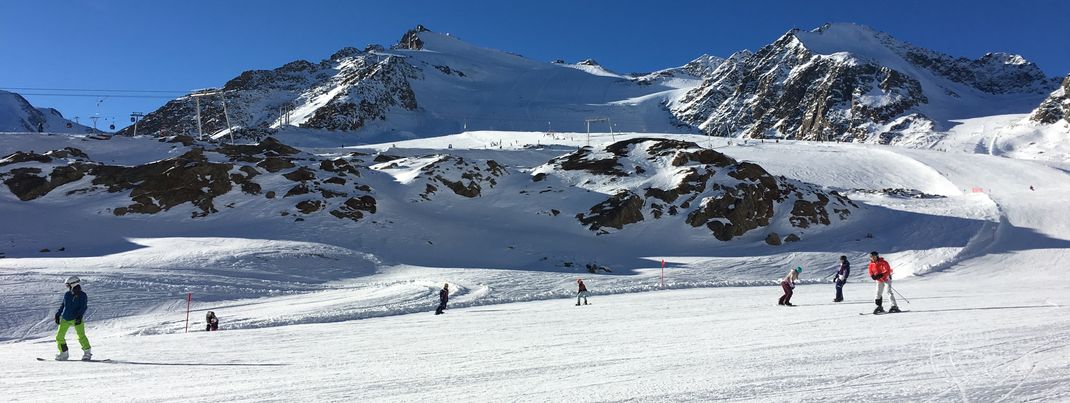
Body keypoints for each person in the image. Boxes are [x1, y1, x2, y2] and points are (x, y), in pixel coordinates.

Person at [54, 276, 91, 361]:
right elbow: (63, 305)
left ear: (73, 284)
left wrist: (79, 316)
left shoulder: (82, 295)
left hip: (76, 319)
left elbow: (83, 307)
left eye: (68, 285)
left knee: (81, 336)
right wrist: (58, 314)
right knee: (59, 336)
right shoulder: (67, 294)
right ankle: (64, 353)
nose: (67, 287)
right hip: (65, 318)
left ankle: (87, 353)